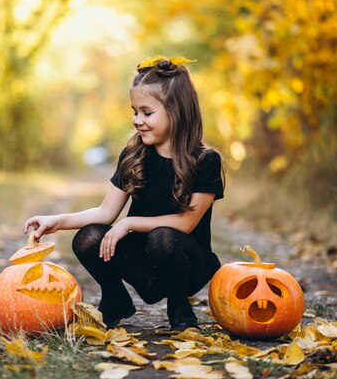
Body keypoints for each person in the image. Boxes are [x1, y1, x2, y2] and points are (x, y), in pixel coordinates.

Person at [23, 56, 224, 330]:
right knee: (89, 237)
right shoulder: (134, 154)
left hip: (185, 261)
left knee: (162, 237)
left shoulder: (205, 160)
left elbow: (186, 223)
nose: (137, 120)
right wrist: (55, 221)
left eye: (147, 112)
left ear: (176, 111)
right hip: (143, 262)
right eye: (134, 111)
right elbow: (105, 212)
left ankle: (179, 304)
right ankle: (115, 298)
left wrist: (129, 224)